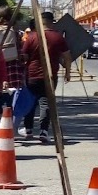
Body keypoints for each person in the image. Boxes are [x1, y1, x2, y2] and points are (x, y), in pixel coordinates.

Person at [19, 11, 71, 143]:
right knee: (45, 103)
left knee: (30, 102)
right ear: (52, 21)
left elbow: (23, 57)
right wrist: (67, 73)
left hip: (32, 75)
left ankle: (28, 129)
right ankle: (43, 131)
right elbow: (67, 57)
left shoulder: (32, 37)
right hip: (50, 75)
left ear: (39, 22)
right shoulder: (58, 37)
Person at [0, 5, 23, 140]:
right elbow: (19, 50)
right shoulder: (15, 32)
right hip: (13, 67)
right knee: (10, 103)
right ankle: (8, 129)